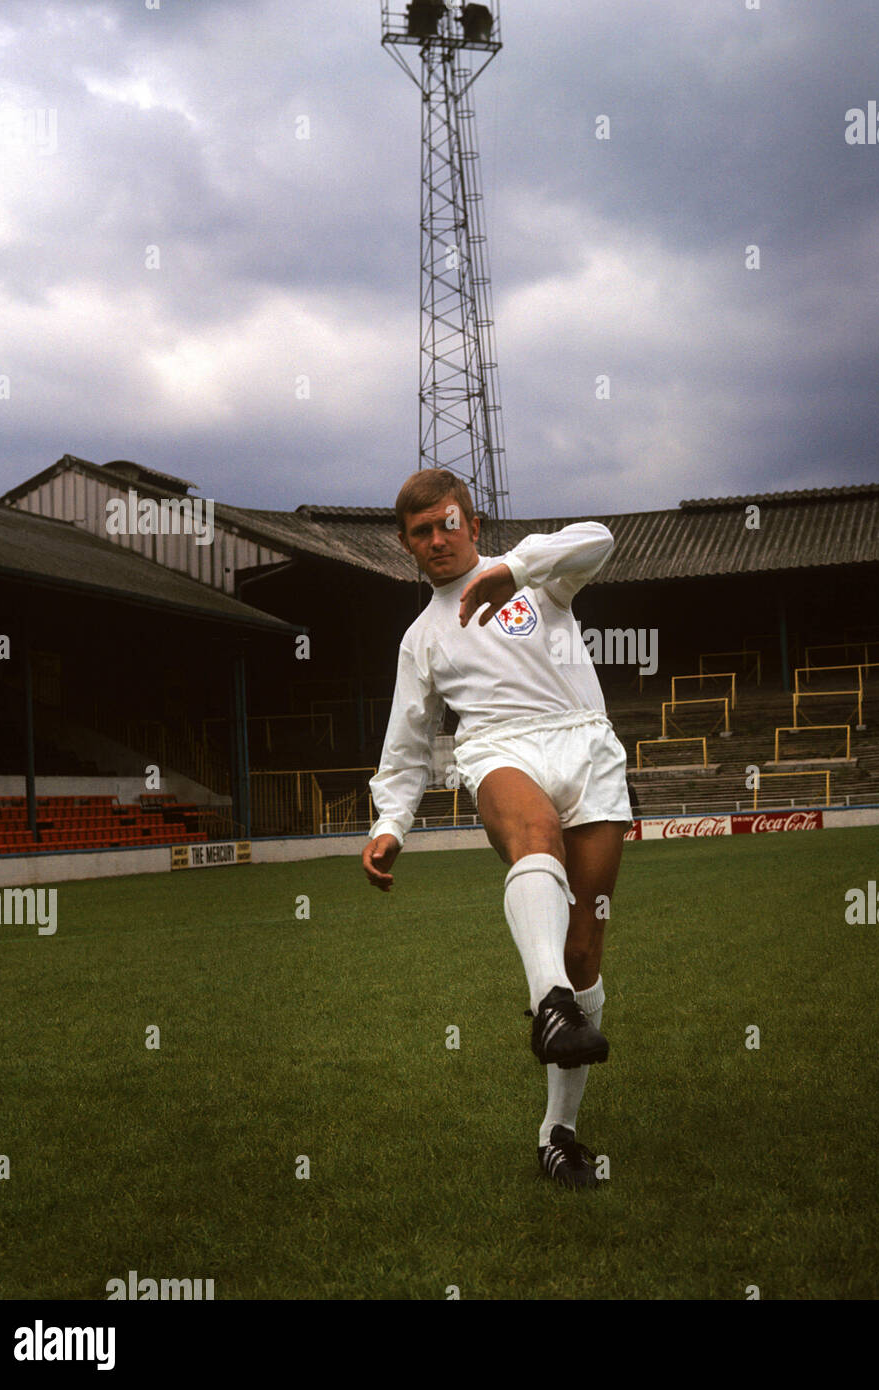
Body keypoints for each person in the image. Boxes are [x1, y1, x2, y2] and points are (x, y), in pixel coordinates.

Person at [361, 468, 633, 1190]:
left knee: (585, 948)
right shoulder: (420, 638)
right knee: (534, 832)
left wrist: (514, 567)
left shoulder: (538, 579)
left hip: (587, 745)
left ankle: (559, 1133)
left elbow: (600, 539)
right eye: (421, 532)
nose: (437, 539)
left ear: (473, 525)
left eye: (448, 523)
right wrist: (391, 822)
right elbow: (409, 740)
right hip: (499, 749)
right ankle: (547, 1005)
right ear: (406, 546)